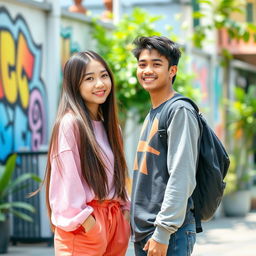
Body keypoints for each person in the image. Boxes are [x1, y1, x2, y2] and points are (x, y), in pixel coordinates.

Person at [38, 51, 130, 256]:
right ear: (74, 85)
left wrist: (124, 214)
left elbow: (118, 176)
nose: (100, 83)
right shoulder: (70, 125)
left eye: (104, 75)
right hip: (84, 226)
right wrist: (89, 225)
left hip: (114, 221)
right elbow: (66, 184)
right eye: (89, 78)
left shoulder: (112, 128)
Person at [130, 36, 200, 256]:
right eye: (142, 64)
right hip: (145, 232)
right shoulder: (154, 112)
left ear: (172, 71)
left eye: (156, 64)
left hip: (167, 234)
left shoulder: (179, 111)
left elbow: (182, 175)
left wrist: (163, 232)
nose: (147, 70)